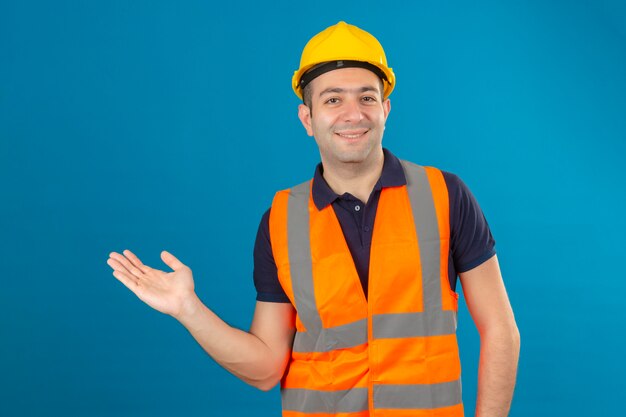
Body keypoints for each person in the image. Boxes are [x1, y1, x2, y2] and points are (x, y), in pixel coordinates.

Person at [107, 21, 520, 417]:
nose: (353, 114)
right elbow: (267, 367)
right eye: (333, 99)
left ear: (386, 108)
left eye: (367, 97)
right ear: (307, 118)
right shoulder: (280, 221)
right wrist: (188, 309)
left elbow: (501, 331)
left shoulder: (444, 195)